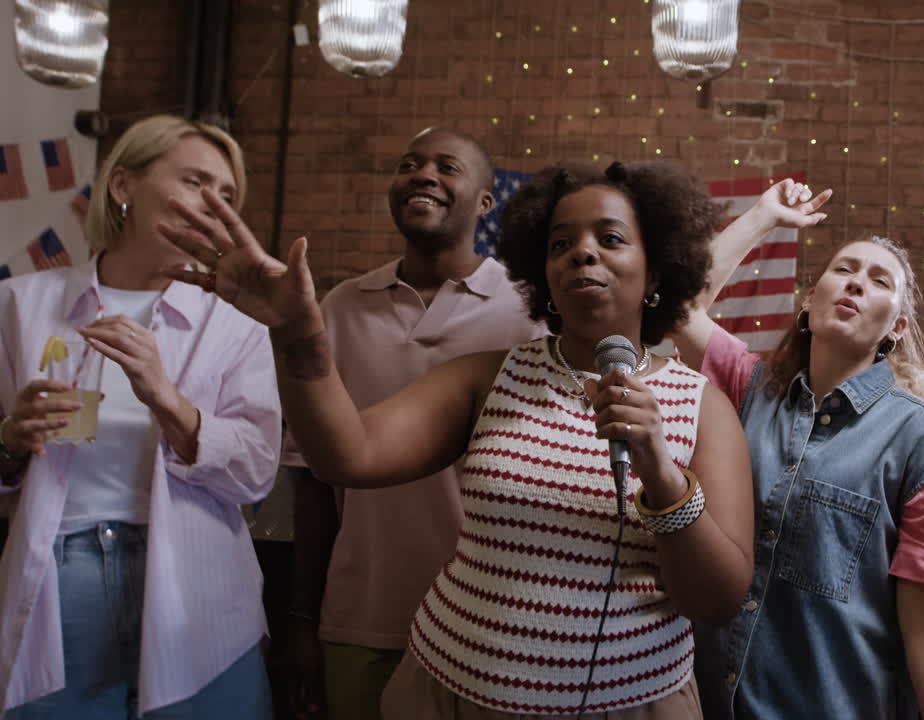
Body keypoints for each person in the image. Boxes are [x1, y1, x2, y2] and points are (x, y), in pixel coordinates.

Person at [161, 160, 755, 718]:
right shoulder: (488, 376)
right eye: (560, 243)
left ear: (656, 271)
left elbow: (717, 600)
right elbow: (347, 454)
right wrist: (300, 338)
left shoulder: (702, 406)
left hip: (632, 703)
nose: (582, 254)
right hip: (450, 693)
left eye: (611, 239)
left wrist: (663, 477)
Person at [671, 180, 924, 720]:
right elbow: (678, 307)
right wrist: (762, 218)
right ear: (809, 299)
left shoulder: (921, 438)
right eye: (843, 269)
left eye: (878, 279)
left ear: (896, 328)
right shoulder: (749, 388)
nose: (856, 284)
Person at [0, 115, 281, 717]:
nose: (212, 204)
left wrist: (170, 400)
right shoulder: (21, 304)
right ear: (123, 185)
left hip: (196, 587)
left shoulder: (235, 323)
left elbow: (257, 471)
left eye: (228, 196)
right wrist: (10, 439)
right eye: (195, 182)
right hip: (60, 583)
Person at [283, 127, 543, 720]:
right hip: (359, 617)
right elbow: (313, 484)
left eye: (447, 166)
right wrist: (303, 619)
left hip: (486, 625)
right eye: (409, 163)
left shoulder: (529, 312)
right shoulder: (340, 307)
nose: (423, 175)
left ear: (484, 201)